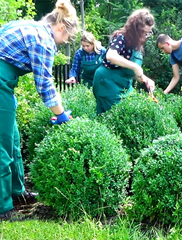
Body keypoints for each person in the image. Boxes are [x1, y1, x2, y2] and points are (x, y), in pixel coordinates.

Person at [0, 0, 78, 220]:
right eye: (67, 37)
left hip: (5, 84)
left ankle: (18, 194)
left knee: (12, 140)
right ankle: (3, 208)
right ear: (62, 27)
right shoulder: (43, 39)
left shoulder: (32, 27)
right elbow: (45, 85)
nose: (65, 42)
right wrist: (62, 115)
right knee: (1, 145)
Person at [92, 9, 156, 114]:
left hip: (124, 86)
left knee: (131, 113)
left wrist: (145, 79)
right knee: (115, 117)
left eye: (148, 32)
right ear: (135, 29)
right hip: (107, 83)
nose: (145, 36)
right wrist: (136, 67)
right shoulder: (121, 37)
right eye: (143, 32)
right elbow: (111, 56)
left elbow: (129, 70)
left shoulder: (137, 46)